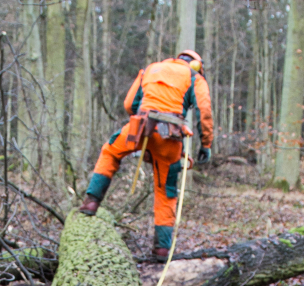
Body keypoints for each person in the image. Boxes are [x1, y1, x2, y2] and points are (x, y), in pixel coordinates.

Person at [80, 49, 213, 255]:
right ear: (197, 65)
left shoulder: (151, 69)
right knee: (165, 190)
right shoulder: (195, 78)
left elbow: (129, 104)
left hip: (139, 127)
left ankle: (91, 201)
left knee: (110, 151)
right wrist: (206, 144)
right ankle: (161, 248)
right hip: (170, 135)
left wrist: (143, 125)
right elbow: (204, 111)